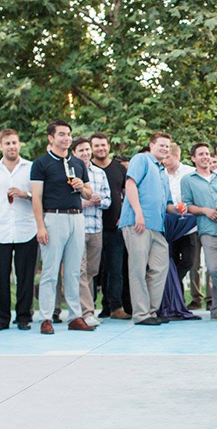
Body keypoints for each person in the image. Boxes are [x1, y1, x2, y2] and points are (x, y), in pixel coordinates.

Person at [31, 119, 95, 334]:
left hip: (77, 217)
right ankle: (46, 318)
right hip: (53, 217)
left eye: (68, 134)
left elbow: (89, 194)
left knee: (74, 271)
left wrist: (81, 187)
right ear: (51, 138)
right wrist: (40, 226)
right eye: (61, 134)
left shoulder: (78, 163)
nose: (66, 138)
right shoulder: (41, 163)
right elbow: (36, 197)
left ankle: (75, 316)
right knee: (50, 271)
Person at [0, 129, 38, 331]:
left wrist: (25, 194)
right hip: (0, 230)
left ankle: (23, 317)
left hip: (27, 229)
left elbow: (41, 196)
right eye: (7, 143)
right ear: (0, 146)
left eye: (14, 142)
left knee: (26, 276)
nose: (11, 146)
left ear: (19, 144)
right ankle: (2, 318)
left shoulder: (31, 168)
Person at [119, 132, 178, 326]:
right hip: (137, 223)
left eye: (167, 146)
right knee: (137, 268)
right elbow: (130, 184)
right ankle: (141, 314)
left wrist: (178, 209)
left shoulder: (163, 172)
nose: (165, 149)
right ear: (152, 145)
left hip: (157, 226)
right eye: (161, 145)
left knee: (160, 267)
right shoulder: (142, 159)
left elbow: (168, 205)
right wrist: (138, 213)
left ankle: (151, 311)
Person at [67, 137, 110, 327]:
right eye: (81, 150)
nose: (85, 153)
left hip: (96, 228)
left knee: (92, 271)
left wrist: (99, 201)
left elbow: (108, 200)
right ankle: (86, 312)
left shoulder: (100, 173)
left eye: (87, 150)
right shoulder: (70, 172)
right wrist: (83, 202)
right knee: (81, 270)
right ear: (74, 153)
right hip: (78, 228)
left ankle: (85, 308)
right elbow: (66, 199)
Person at [181, 143, 217, 320]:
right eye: (201, 154)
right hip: (207, 229)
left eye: (207, 153)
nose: (205, 157)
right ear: (193, 158)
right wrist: (205, 211)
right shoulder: (188, 180)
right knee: (214, 269)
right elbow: (187, 205)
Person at [90, 132, 131, 320]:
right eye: (97, 146)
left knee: (116, 269)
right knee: (93, 271)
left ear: (108, 146)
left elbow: (128, 195)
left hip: (115, 227)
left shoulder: (119, 169)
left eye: (103, 145)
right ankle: (90, 308)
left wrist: (123, 216)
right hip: (91, 227)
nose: (101, 148)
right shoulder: (86, 169)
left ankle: (115, 307)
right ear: (92, 148)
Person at [163, 143, 196, 297]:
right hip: (169, 222)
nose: (164, 160)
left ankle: (171, 283)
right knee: (172, 259)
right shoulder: (161, 174)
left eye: (167, 156)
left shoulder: (189, 172)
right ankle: (177, 298)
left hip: (188, 223)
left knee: (189, 260)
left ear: (177, 156)